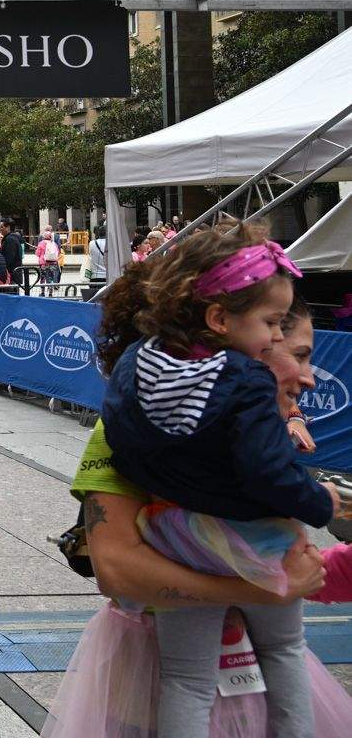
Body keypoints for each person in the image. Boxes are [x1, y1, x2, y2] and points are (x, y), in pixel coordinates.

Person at [50, 297, 352, 737]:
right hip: (148, 677)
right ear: (249, 346)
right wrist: (263, 589)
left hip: (250, 681)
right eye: (300, 355)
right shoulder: (128, 429)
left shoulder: (270, 425)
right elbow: (116, 570)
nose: (308, 378)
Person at [35, 227, 63, 295]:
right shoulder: (54, 244)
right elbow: (58, 253)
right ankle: (50, 292)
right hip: (53, 263)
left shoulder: (41, 243)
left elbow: (37, 253)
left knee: (43, 278)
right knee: (50, 278)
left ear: (44, 237)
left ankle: (42, 292)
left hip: (44, 263)